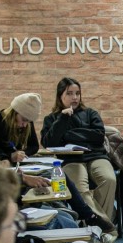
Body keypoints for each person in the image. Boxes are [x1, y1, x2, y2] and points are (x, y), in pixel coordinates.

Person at [42, 77, 117, 225]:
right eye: (69, 93)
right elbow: (48, 143)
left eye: (77, 93)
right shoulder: (52, 119)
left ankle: (96, 226)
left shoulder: (90, 113)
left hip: (96, 156)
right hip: (71, 160)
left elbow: (98, 136)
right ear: (60, 96)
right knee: (79, 188)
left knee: (109, 179)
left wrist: (69, 135)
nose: (75, 97)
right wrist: (62, 119)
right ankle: (106, 226)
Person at [0, 92, 42, 164]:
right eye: (24, 120)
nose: (25, 125)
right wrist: (10, 156)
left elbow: (34, 146)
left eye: (29, 121)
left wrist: (22, 154)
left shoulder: (26, 122)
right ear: (14, 112)